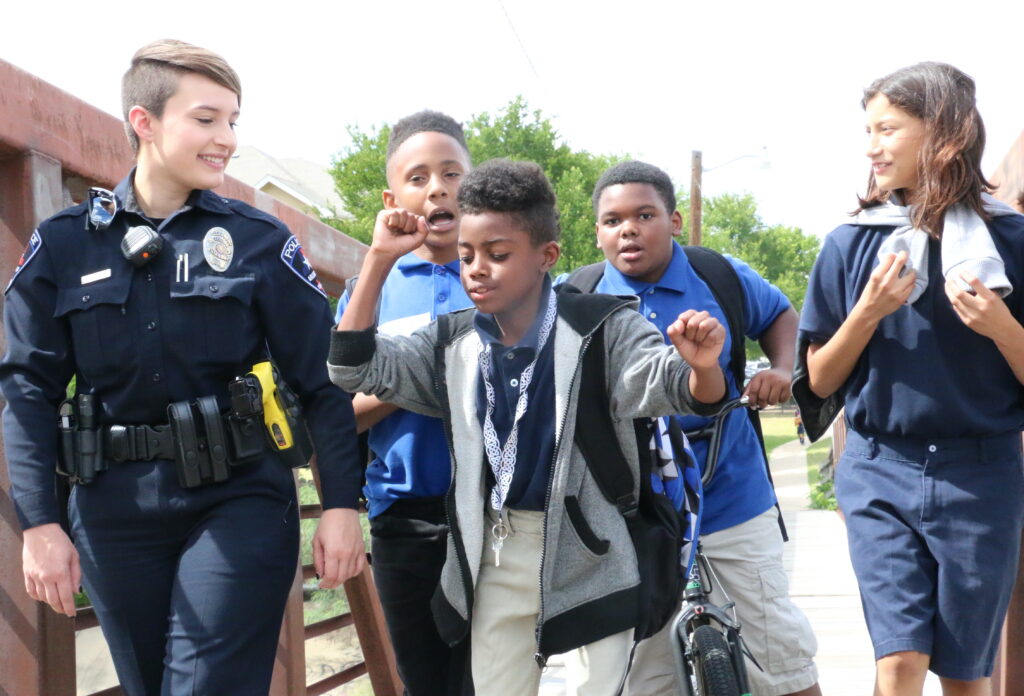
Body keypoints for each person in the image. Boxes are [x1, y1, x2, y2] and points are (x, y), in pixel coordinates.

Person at [0, 40, 366, 696]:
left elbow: (323, 381)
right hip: (114, 507)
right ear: (144, 122)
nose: (225, 138)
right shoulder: (64, 243)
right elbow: (27, 386)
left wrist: (340, 503)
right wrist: (40, 522)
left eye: (233, 121)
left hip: (240, 497)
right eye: (206, 119)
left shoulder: (260, 241)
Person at [328, 158, 728, 696]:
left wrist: (702, 365)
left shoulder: (604, 327)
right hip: (499, 546)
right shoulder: (452, 342)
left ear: (547, 257)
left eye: (497, 255)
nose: (475, 269)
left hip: (594, 546)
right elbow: (353, 368)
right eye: (467, 255)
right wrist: (377, 259)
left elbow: (681, 388)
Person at [795, 62, 1024, 695]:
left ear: (942, 131)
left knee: (963, 674)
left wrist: (1002, 325)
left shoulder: (1012, 240)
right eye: (867, 129)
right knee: (898, 662)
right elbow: (817, 383)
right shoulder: (850, 243)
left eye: (888, 128)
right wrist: (867, 313)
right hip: (878, 470)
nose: (872, 145)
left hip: (982, 477)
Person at [571, 160, 821, 696]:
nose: (629, 229)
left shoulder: (718, 275)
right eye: (612, 220)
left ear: (675, 220)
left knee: (779, 654)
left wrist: (782, 370)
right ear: (598, 232)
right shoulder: (578, 299)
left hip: (730, 488)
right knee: (643, 670)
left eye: (645, 215)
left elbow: (781, 316)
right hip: (633, 508)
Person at [334, 110, 475, 695]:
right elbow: (337, 406)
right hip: (405, 519)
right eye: (418, 177)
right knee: (425, 681)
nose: (437, 186)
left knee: (496, 680)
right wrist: (422, 376)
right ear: (394, 196)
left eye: (451, 172)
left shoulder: (505, 275)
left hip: (501, 514)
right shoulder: (371, 291)